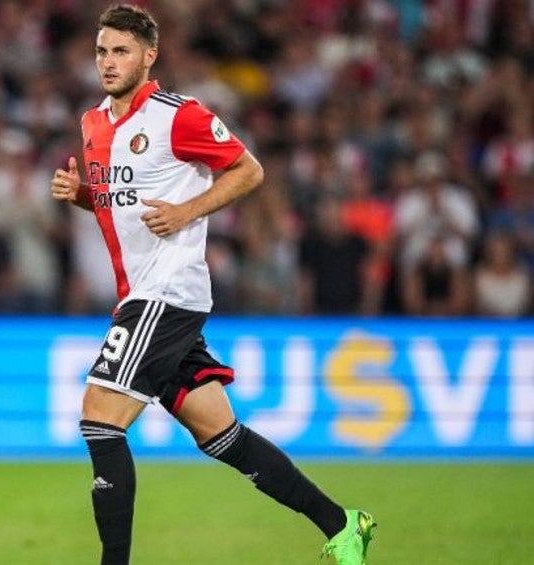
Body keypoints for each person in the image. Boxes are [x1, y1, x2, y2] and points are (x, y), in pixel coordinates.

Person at [49, 6, 375, 564]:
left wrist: (187, 211)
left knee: (100, 420)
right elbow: (118, 204)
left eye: (121, 51)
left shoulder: (181, 115)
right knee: (222, 436)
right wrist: (82, 195)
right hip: (140, 294)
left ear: (149, 56)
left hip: (167, 292)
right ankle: (343, 524)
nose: (108, 62)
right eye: (102, 50)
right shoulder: (93, 123)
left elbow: (249, 171)